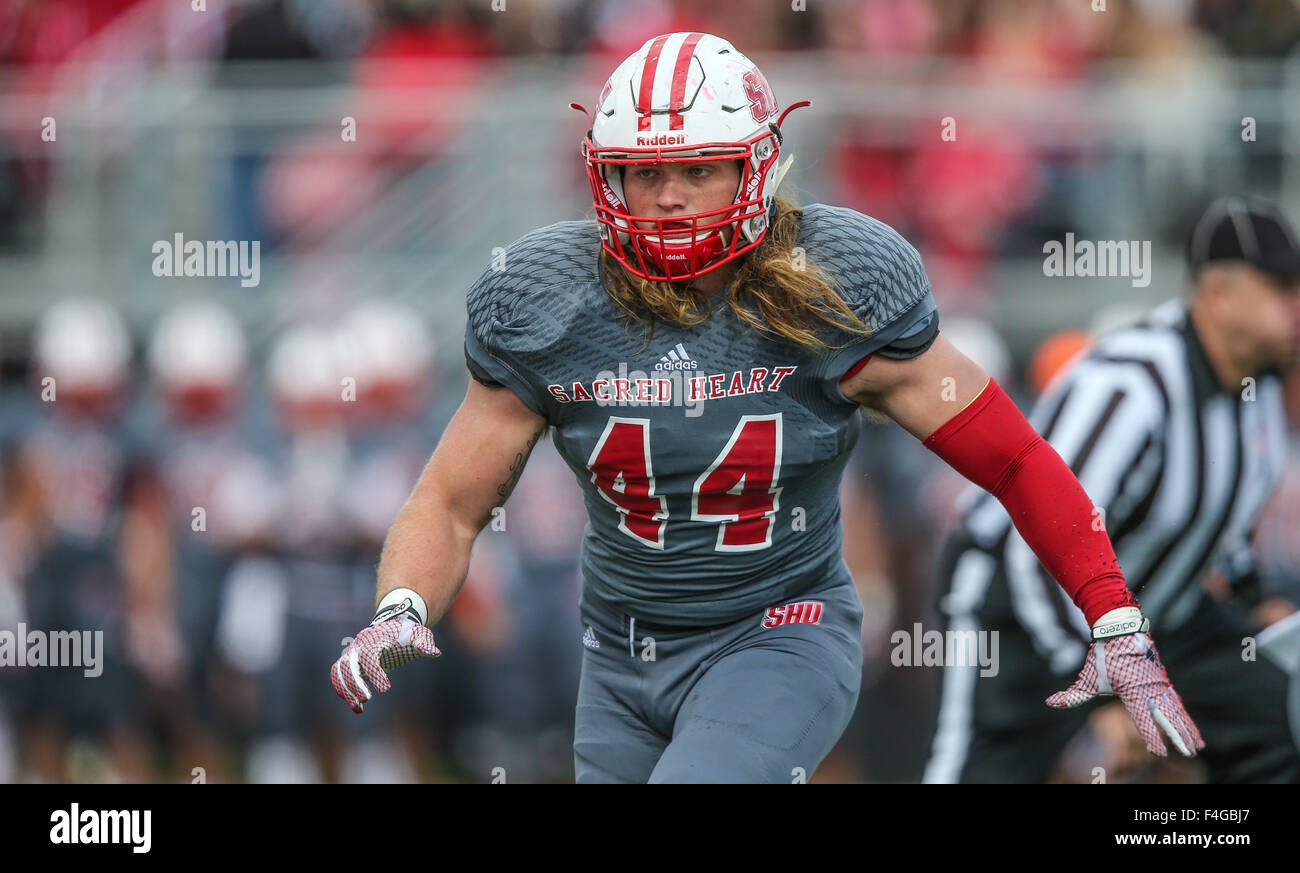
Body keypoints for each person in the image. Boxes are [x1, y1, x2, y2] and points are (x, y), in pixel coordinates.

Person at [331, 31, 1202, 783]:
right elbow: (451, 499)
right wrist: (402, 604)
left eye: (698, 169)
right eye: (643, 173)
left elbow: (1013, 458)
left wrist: (1113, 613)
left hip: (780, 630)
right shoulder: (554, 303)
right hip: (618, 654)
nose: (668, 197)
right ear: (605, 178)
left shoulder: (836, 288)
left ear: (756, 166)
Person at [923, 195, 1300, 783]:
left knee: (1285, 721)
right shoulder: (1132, 383)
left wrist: (1258, 601)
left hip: (1153, 620)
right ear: (1221, 295)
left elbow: (1214, 524)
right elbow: (1037, 544)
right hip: (1024, 615)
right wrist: (1105, 693)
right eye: (1282, 287)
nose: (1296, 305)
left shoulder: (1259, 391)